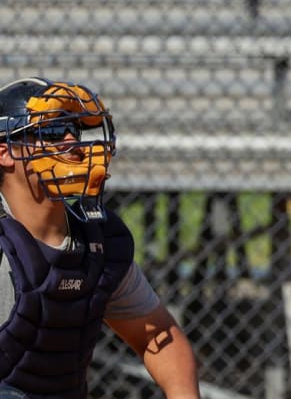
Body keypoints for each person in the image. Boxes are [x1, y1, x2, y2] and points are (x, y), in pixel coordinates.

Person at [0, 78, 201, 398]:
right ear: (5, 152)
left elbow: (158, 335)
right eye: (52, 132)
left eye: (74, 131)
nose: (72, 143)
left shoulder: (96, 238)